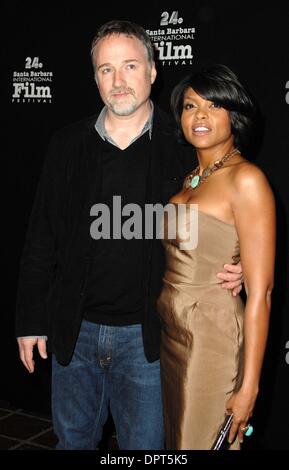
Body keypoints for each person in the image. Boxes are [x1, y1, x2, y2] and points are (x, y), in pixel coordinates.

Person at [16, 22, 243, 450]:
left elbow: (236, 206)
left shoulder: (186, 143)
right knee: (71, 444)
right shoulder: (66, 145)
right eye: (106, 69)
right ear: (95, 77)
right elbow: (40, 238)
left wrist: (245, 259)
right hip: (75, 336)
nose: (118, 81)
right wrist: (30, 320)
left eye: (130, 66)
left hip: (149, 339)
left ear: (153, 71)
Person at [157, 64, 276, 450]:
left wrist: (249, 387)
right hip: (174, 336)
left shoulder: (247, 180)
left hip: (213, 339)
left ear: (234, 115)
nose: (200, 116)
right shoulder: (191, 177)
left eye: (213, 105)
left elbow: (262, 293)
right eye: (190, 106)